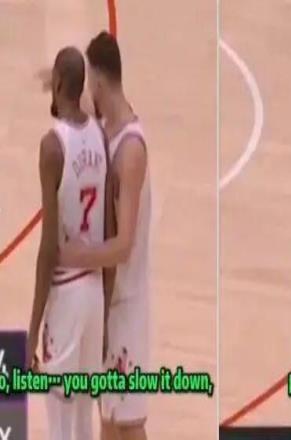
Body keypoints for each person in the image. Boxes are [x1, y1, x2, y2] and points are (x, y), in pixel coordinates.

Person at [59, 31, 151, 440]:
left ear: (97, 80)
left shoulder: (130, 150)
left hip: (126, 304)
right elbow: (74, 101)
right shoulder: (105, 127)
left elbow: (123, 245)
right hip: (106, 301)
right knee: (113, 425)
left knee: (126, 426)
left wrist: (73, 256)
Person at [27, 46, 114, 440]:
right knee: (83, 423)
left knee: (60, 425)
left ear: (58, 84)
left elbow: (48, 248)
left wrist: (32, 330)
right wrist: (106, 310)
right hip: (94, 293)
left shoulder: (52, 146)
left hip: (65, 294)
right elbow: (109, 229)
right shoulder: (100, 135)